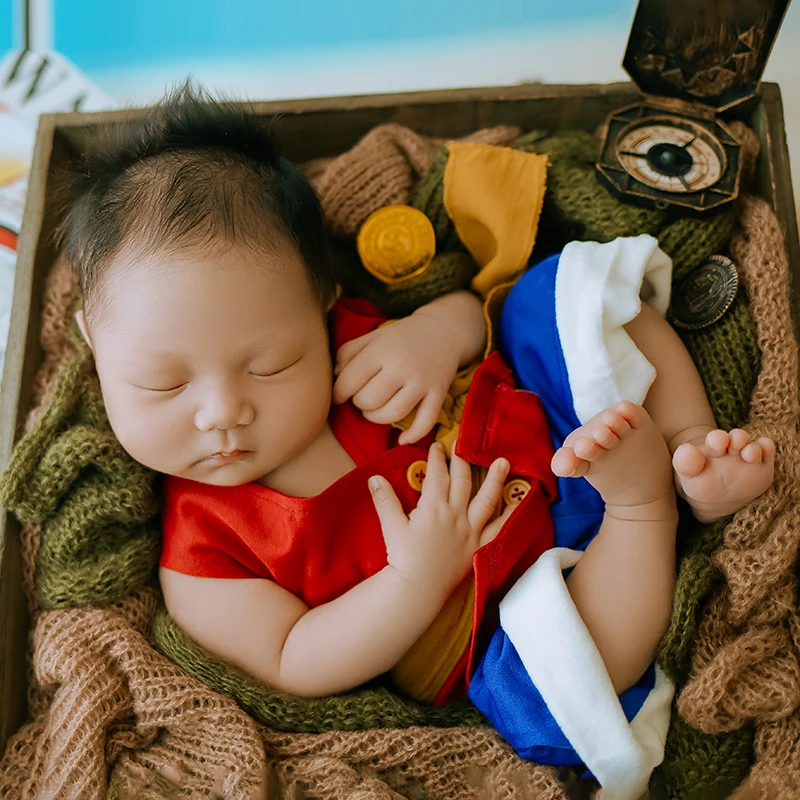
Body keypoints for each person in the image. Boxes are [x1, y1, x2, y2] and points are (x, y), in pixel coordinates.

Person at [59, 88, 773, 793]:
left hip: (558, 431)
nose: (222, 412)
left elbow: (475, 318)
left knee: (563, 292)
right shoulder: (200, 553)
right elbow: (294, 657)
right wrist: (414, 583)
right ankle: (647, 507)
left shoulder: (352, 346)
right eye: (161, 384)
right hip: (504, 607)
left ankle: (692, 453)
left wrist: (438, 330)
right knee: (547, 696)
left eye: (269, 365)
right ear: (95, 339)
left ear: (322, 302)